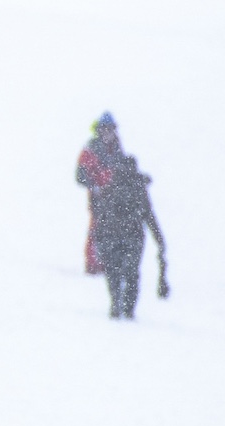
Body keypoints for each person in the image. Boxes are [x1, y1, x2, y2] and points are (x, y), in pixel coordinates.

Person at [77, 113, 167, 319]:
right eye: (105, 129)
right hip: (102, 202)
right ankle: (95, 266)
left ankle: (122, 304)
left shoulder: (117, 149)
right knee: (103, 243)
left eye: (111, 129)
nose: (108, 133)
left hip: (117, 213)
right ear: (99, 130)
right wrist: (96, 184)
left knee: (125, 268)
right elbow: (80, 175)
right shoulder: (91, 150)